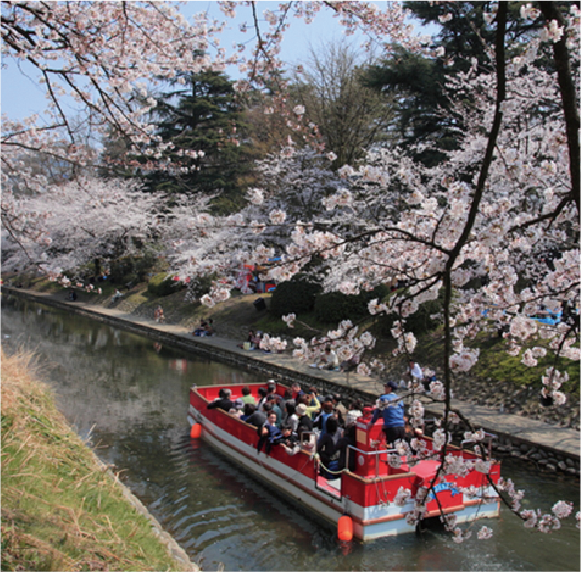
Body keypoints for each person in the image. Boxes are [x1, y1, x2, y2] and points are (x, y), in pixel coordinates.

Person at [371, 381, 405, 446]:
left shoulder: (383, 398)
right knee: (400, 449)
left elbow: (377, 411)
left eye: (386, 387)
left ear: (390, 388)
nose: (384, 389)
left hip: (391, 427)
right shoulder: (400, 399)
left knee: (391, 449)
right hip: (401, 426)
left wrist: (372, 422)